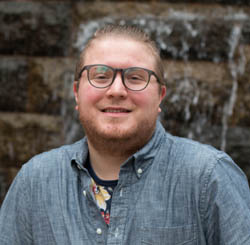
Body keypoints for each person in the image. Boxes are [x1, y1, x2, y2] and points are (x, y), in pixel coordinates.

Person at [0, 24, 250, 245]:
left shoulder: (209, 177)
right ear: (77, 93)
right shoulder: (35, 182)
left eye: (135, 77)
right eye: (100, 76)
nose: (117, 90)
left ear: (160, 96)